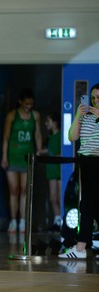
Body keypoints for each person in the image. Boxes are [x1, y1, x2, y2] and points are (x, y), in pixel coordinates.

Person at [59, 84, 99, 259]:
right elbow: (72, 136)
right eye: (93, 98)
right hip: (86, 161)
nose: (96, 101)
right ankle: (82, 247)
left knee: (89, 204)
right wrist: (78, 115)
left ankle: (81, 247)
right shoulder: (86, 117)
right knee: (89, 204)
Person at [1, 88, 42, 233]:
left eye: (31, 104)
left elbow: (37, 134)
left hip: (27, 157)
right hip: (13, 156)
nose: (29, 107)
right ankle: (13, 221)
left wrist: (39, 151)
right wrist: (4, 156)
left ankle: (23, 222)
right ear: (20, 102)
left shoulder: (35, 115)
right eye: (26, 104)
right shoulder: (12, 116)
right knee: (14, 190)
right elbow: (6, 137)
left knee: (25, 190)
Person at [38, 112, 61, 232]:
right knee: (53, 197)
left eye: (48, 121)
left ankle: (63, 220)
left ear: (55, 122)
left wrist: (54, 156)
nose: (46, 123)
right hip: (51, 170)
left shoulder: (61, 136)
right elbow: (49, 150)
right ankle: (57, 220)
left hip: (59, 170)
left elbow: (64, 152)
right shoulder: (50, 136)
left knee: (59, 196)